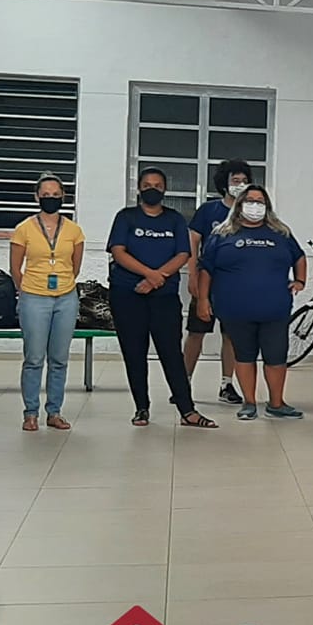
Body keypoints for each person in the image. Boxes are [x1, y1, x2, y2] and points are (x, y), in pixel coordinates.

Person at [108, 168, 214, 429]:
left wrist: (157, 278)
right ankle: (141, 408)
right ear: (139, 189)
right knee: (134, 352)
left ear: (165, 189)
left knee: (171, 353)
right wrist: (149, 275)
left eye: (157, 185)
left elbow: (183, 254)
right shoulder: (126, 217)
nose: (152, 189)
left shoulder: (174, 219)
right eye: (147, 185)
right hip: (128, 294)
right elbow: (118, 252)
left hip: (164, 296)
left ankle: (187, 410)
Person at [196, 183, 306, 420]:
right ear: (239, 205)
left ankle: (276, 403)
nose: (255, 206)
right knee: (244, 355)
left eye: (260, 201)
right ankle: (249, 403)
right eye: (250, 201)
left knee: (276, 357)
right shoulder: (222, 234)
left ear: (267, 206)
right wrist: (203, 300)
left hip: (274, 309)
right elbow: (206, 269)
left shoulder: (281, 233)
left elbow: (299, 257)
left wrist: (300, 281)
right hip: (235, 309)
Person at [10, 174, 85, 431]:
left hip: (66, 298)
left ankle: (54, 412)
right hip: (34, 297)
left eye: (55, 195)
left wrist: (62, 284)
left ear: (63, 196)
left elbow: (75, 267)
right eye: (45, 195)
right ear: (37, 197)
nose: (50, 198)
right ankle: (30, 413)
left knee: (59, 359)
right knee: (34, 358)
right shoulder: (24, 229)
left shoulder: (74, 230)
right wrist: (28, 290)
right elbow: (15, 268)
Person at [184, 159, 254, 406]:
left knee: (231, 335)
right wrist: (192, 274)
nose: (240, 184)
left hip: (236, 284)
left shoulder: (251, 212)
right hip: (207, 280)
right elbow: (193, 243)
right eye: (235, 180)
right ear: (224, 183)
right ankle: (184, 382)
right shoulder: (208, 211)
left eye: (244, 181)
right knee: (196, 332)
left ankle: (227, 384)